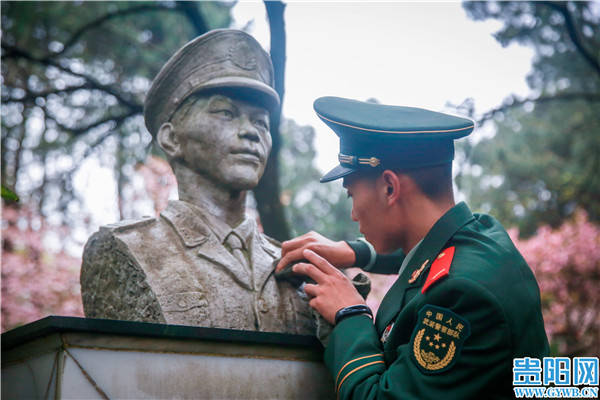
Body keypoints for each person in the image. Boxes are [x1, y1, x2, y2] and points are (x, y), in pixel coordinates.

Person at [277, 96, 549, 398]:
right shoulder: (480, 232)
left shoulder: (463, 299)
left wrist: (350, 314)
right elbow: (429, 256)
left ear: (390, 188)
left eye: (351, 194)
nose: (353, 214)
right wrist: (356, 252)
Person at [80, 29, 314, 335]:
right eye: (226, 113)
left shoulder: (295, 268)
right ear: (172, 138)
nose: (251, 132)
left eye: (261, 122)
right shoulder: (125, 249)